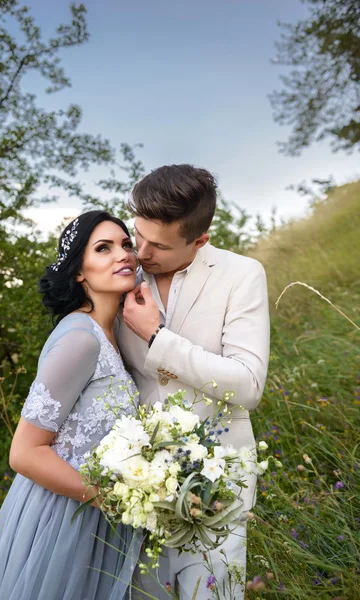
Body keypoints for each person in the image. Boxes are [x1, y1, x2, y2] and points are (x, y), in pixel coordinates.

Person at [119, 164, 270, 600]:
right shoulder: (122, 271)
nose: (141, 252)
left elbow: (247, 385)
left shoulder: (242, 275)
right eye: (138, 235)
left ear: (199, 240)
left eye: (159, 245)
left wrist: (156, 337)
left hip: (220, 489)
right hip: (138, 485)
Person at [0, 210, 140, 600]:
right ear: (80, 272)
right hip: (63, 516)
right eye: (103, 248)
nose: (123, 255)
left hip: (94, 516)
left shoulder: (114, 333)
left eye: (126, 244)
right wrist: (110, 497)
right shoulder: (80, 338)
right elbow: (24, 452)